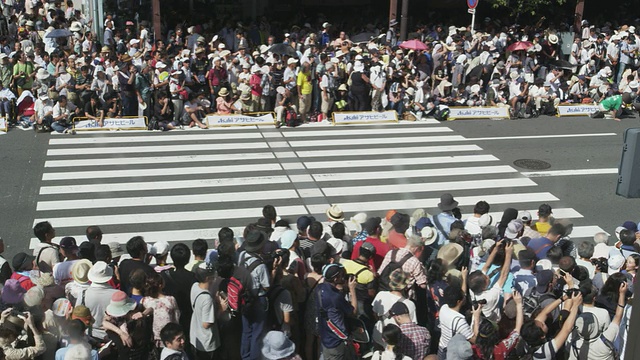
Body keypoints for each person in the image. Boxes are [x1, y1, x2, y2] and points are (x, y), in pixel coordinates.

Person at [316, 263, 357, 360]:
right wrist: (352, 289)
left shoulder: (319, 288)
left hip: (325, 337)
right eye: (341, 276)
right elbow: (354, 311)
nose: (343, 278)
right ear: (335, 279)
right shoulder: (335, 297)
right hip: (336, 341)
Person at [472, 291, 523, 359]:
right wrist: (519, 304)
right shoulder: (502, 348)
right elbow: (517, 330)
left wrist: (476, 316)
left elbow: (477, 334)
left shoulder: (475, 348)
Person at [190, 262, 222, 360]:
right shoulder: (206, 298)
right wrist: (221, 309)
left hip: (195, 337)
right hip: (207, 342)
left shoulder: (195, 286)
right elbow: (206, 324)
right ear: (208, 278)